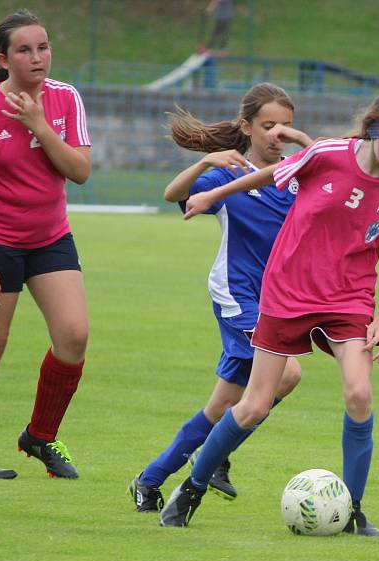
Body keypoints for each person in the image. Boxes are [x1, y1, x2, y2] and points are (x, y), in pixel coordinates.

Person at [158, 88, 379, 534]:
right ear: (370, 134)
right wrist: (213, 194)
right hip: (287, 292)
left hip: (349, 299)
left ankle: (354, 511)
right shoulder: (325, 155)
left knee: (359, 395)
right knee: (254, 406)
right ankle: (191, 488)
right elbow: (266, 177)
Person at [127, 83, 311, 511]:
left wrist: (304, 143)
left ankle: (149, 479)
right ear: (247, 127)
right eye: (268, 125)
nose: (277, 134)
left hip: (277, 301)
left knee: (222, 405)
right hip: (237, 295)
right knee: (287, 375)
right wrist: (206, 161)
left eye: (286, 125)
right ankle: (220, 455)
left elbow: (331, 171)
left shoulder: (297, 175)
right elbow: (173, 195)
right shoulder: (228, 174)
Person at [0, 9, 91, 479]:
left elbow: (80, 172)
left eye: (43, 47)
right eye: (25, 50)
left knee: (74, 337)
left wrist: (40, 125)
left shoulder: (66, 99)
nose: (37, 57)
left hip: (51, 238)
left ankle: (40, 437)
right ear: (3, 59)